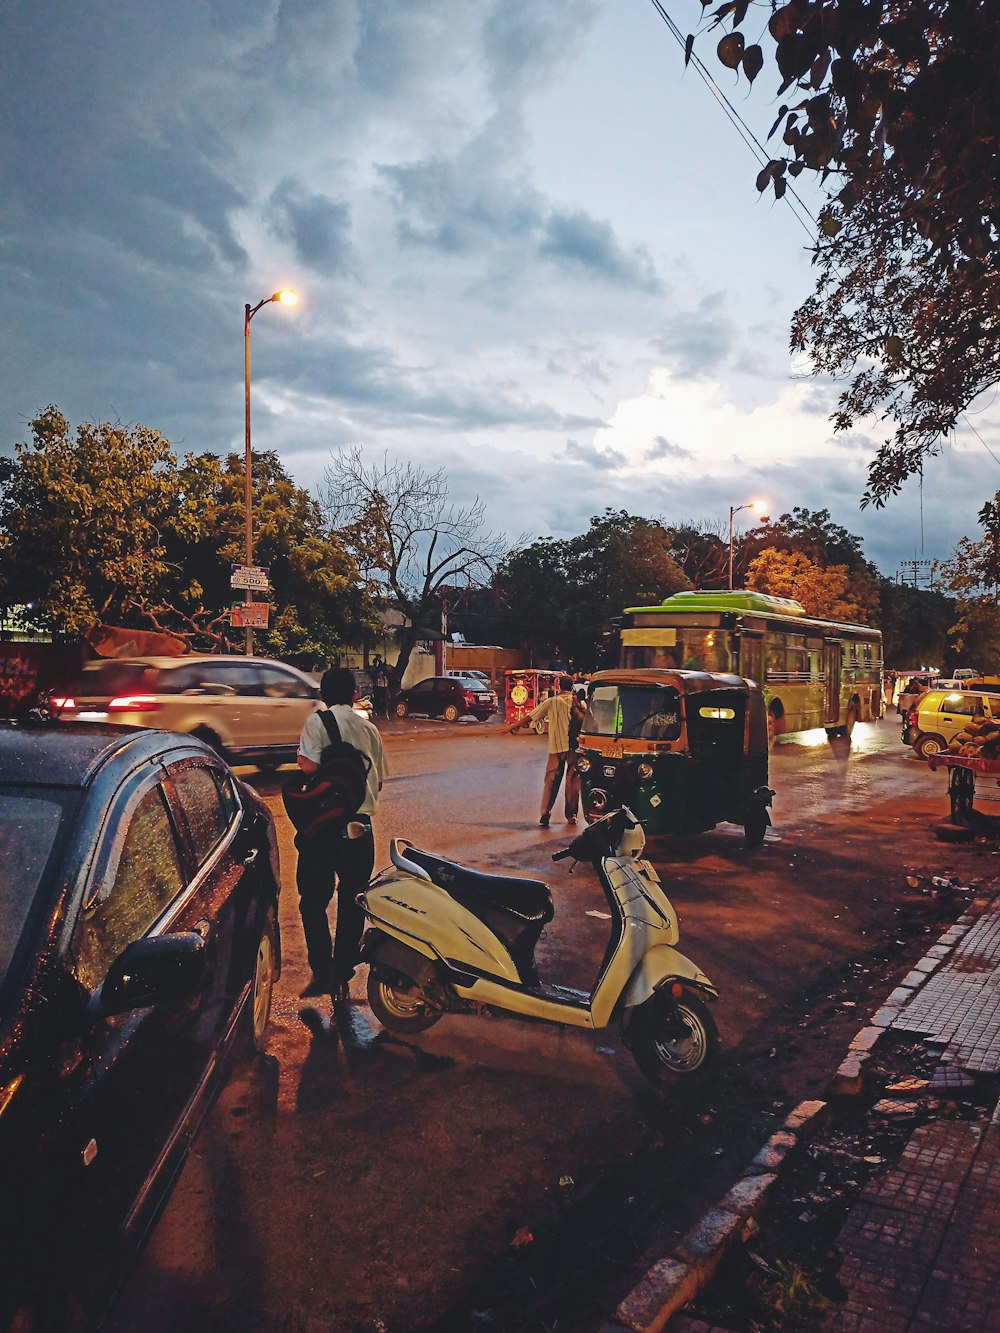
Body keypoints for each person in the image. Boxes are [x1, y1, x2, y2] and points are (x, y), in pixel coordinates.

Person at [296, 666, 387, 999]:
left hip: (322, 827)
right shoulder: (369, 729)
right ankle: (343, 968)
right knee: (352, 898)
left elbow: (307, 767)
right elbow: (378, 780)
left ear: (322, 695)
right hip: (360, 826)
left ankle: (323, 971)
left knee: (313, 902)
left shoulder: (316, 723)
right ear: (353, 696)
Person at [501, 673, 586, 827]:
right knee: (572, 781)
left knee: (551, 781)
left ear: (559, 686)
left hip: (555, 748)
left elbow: (531, 717)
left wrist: (511, 726)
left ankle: (545, 813)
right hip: (574, 748)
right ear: (572, 686)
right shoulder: (579, 703)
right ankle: (572, 815)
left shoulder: (551, 702)